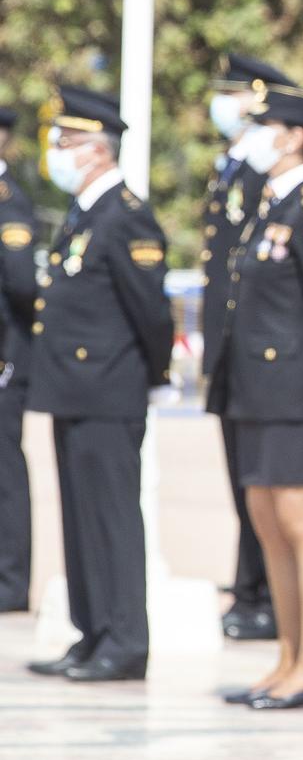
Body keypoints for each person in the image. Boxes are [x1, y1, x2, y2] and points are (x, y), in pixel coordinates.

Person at [210, 80, 303, 710]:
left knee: (301, 524)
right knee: (267, 525)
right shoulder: (268, 208)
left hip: (290, 391)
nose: (253, 137)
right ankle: (288, 658)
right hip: (252, 389)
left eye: (265, 126)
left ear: (295, 137)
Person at [20, 87, 173, 682]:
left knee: (111, 516)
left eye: (65, 142)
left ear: (96, 151)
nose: (56, 153)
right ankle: (92, 630)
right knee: (81, 517)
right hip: (75, 389)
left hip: (110, 389)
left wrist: (154, 377)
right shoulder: (86, 212)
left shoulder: (126, 214)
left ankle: (125, 640)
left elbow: (151, 313)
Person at [203, 53, 295, 642]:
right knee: (244, 482)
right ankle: (250, 585)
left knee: (264, 486)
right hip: (234, 348)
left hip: (266, 357)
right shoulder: (234, 166)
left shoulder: (267, 174)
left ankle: (259, 590)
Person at [0, 106, 35, 614]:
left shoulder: (10, 203)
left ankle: (9, 581)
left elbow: (23, 285)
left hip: (4, 358)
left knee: (4, 472)